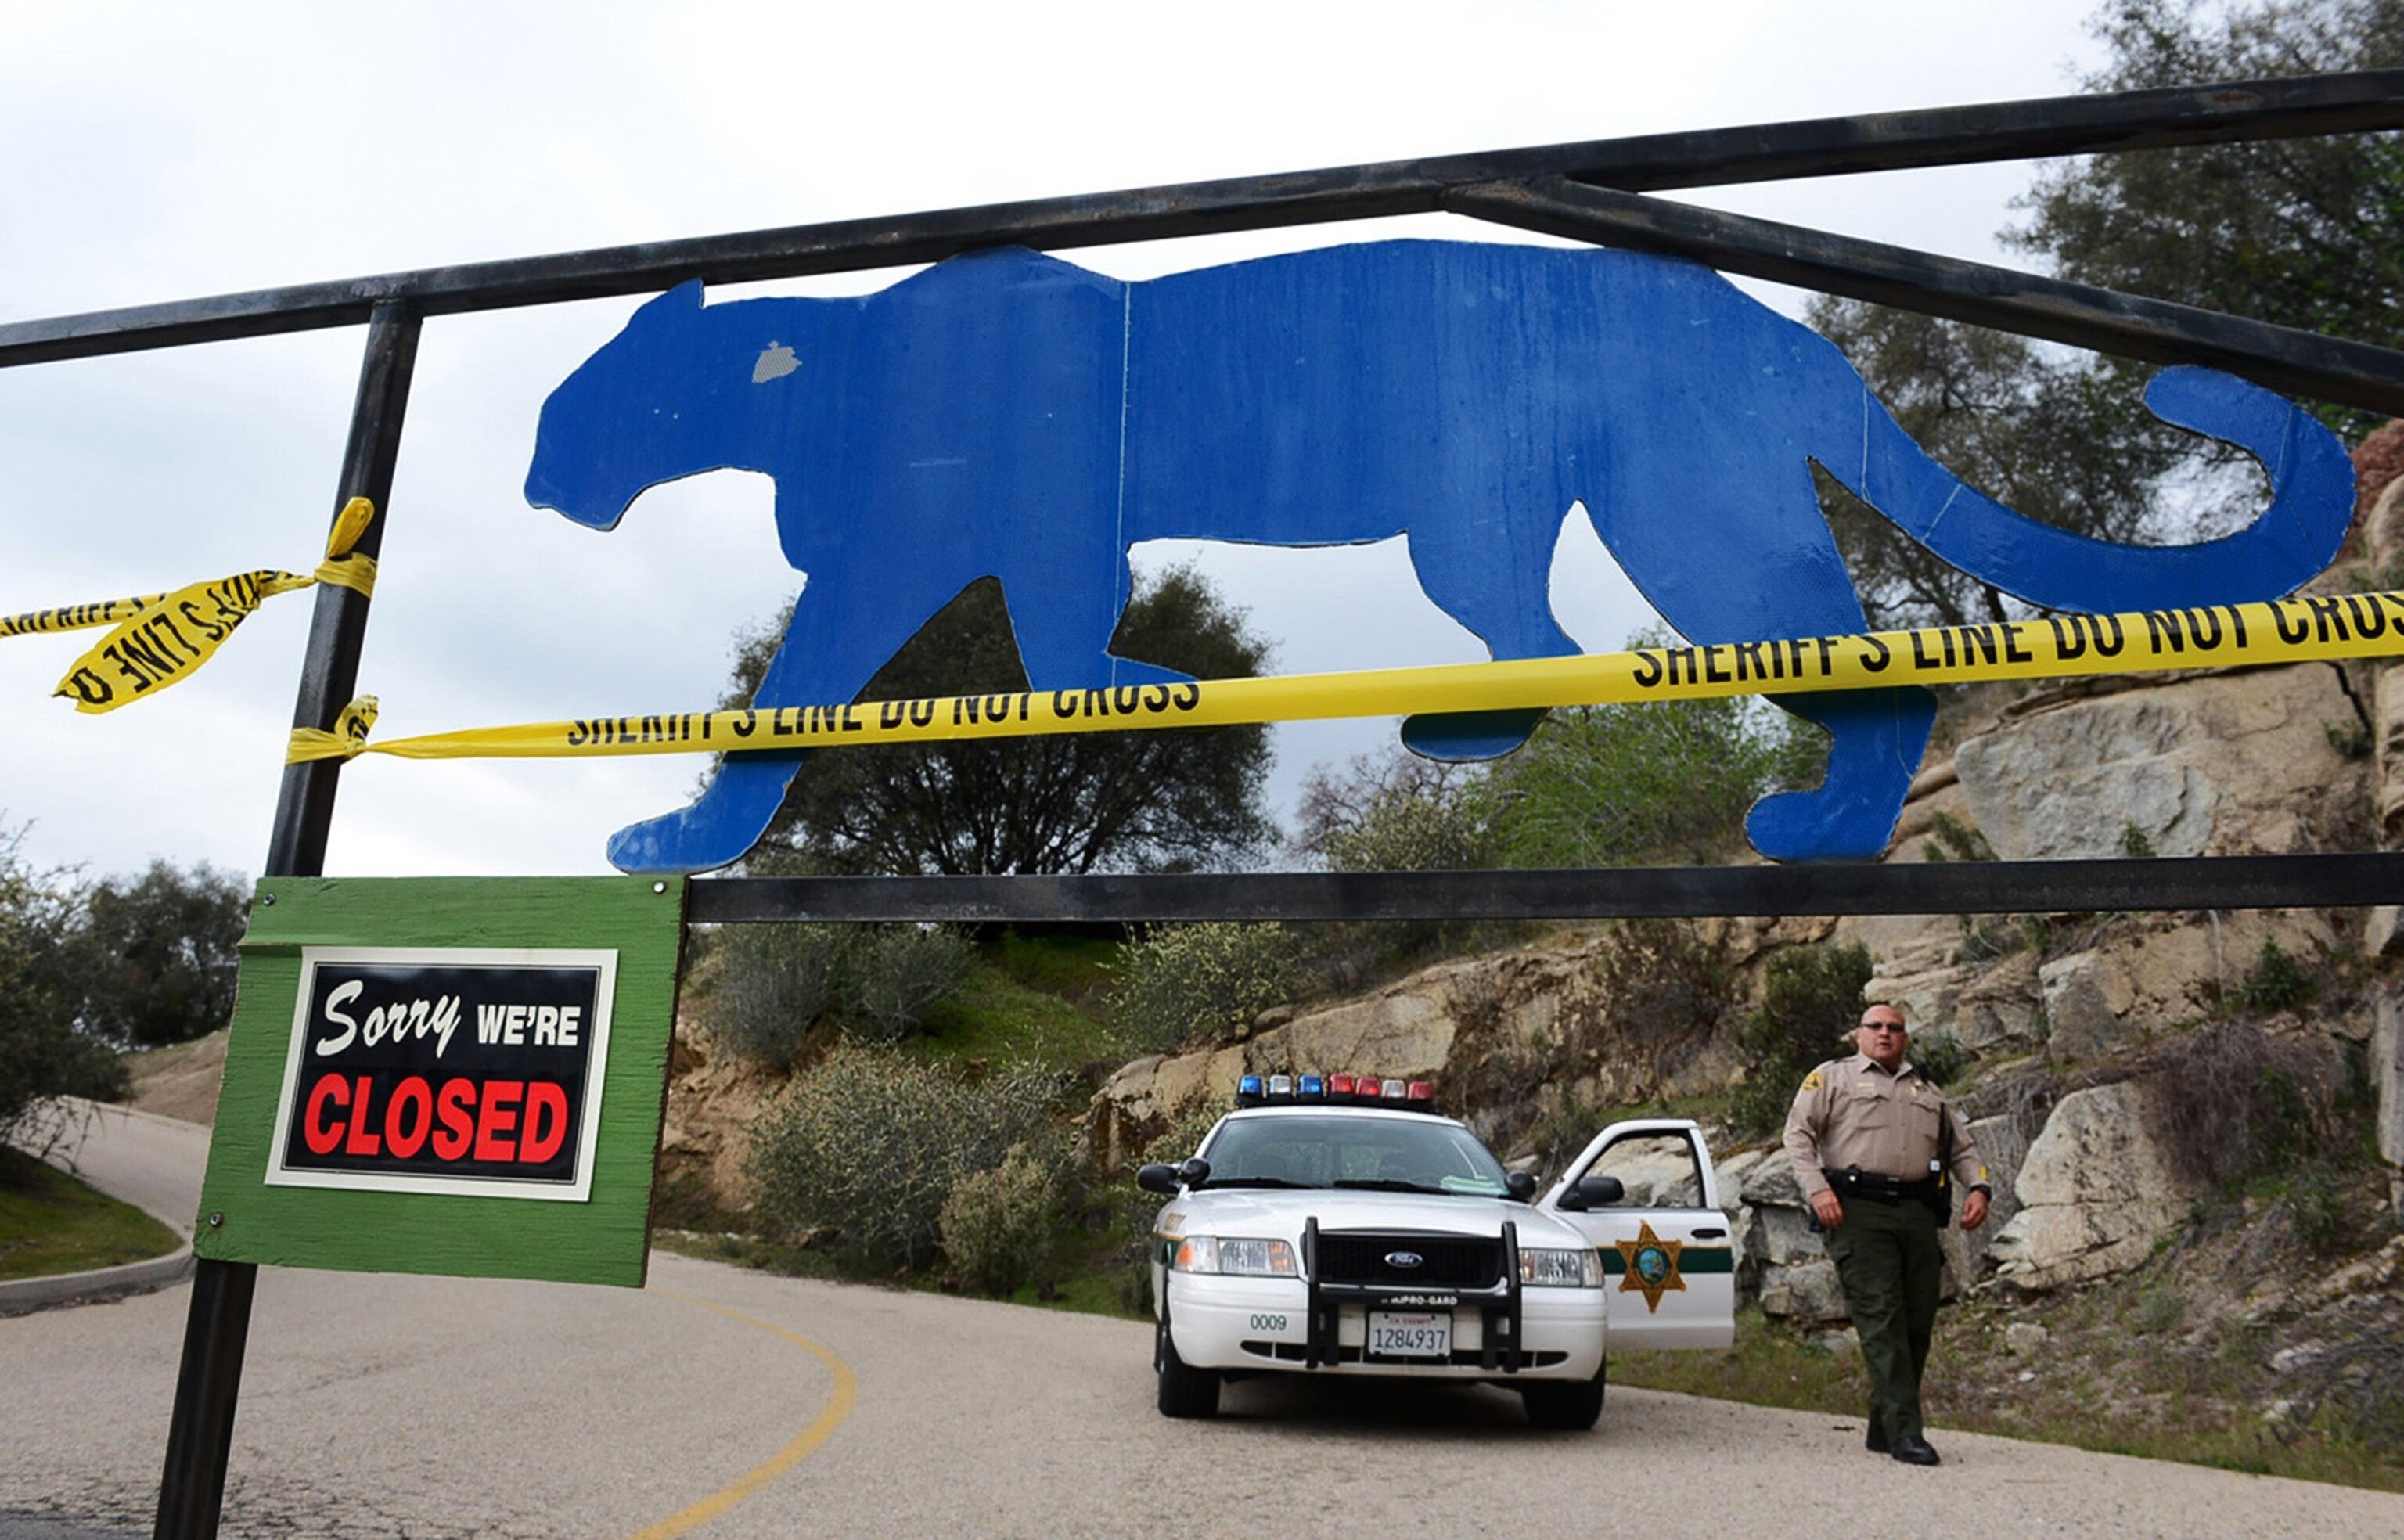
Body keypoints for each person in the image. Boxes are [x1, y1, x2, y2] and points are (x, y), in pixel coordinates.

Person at [1783, 1003, 1991, 1466]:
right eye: (1875, 1027)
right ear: (1858, 1034)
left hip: (1917, 1214)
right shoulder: (1831, 1078)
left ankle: (1884, 1425)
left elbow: (1963, 1148)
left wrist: (1979, 1185)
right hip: (1857, 1212)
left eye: (1895, 1028)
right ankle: (1907, 1435)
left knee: (1918, 1324)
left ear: (1905, 1038)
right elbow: (1797, 1137)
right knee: (1882, 1320)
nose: (1885, 1034)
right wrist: (1817, 1190)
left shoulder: (1927, 1090)